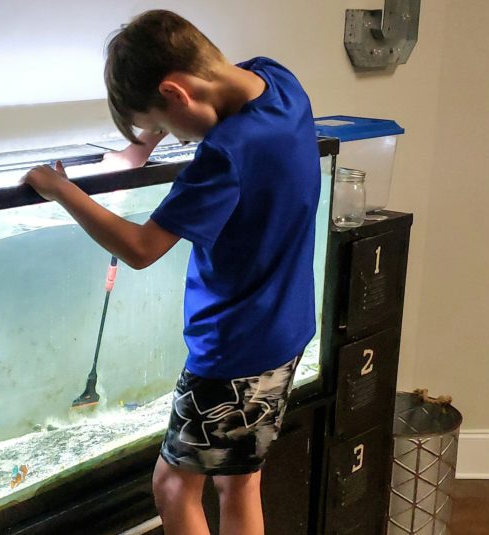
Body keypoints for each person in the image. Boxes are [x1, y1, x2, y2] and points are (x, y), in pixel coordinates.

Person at [23, 9, 320, 535]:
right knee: (239, 479)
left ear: (177, 93)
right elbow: (214, 104)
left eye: (161, 124)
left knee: (172, 486)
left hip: (232, 349)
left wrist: (60, 188)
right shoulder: (279, 81)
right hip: (286, 328)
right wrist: (141, 146)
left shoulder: (226, 155)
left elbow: (141, 248)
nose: (172, 138)